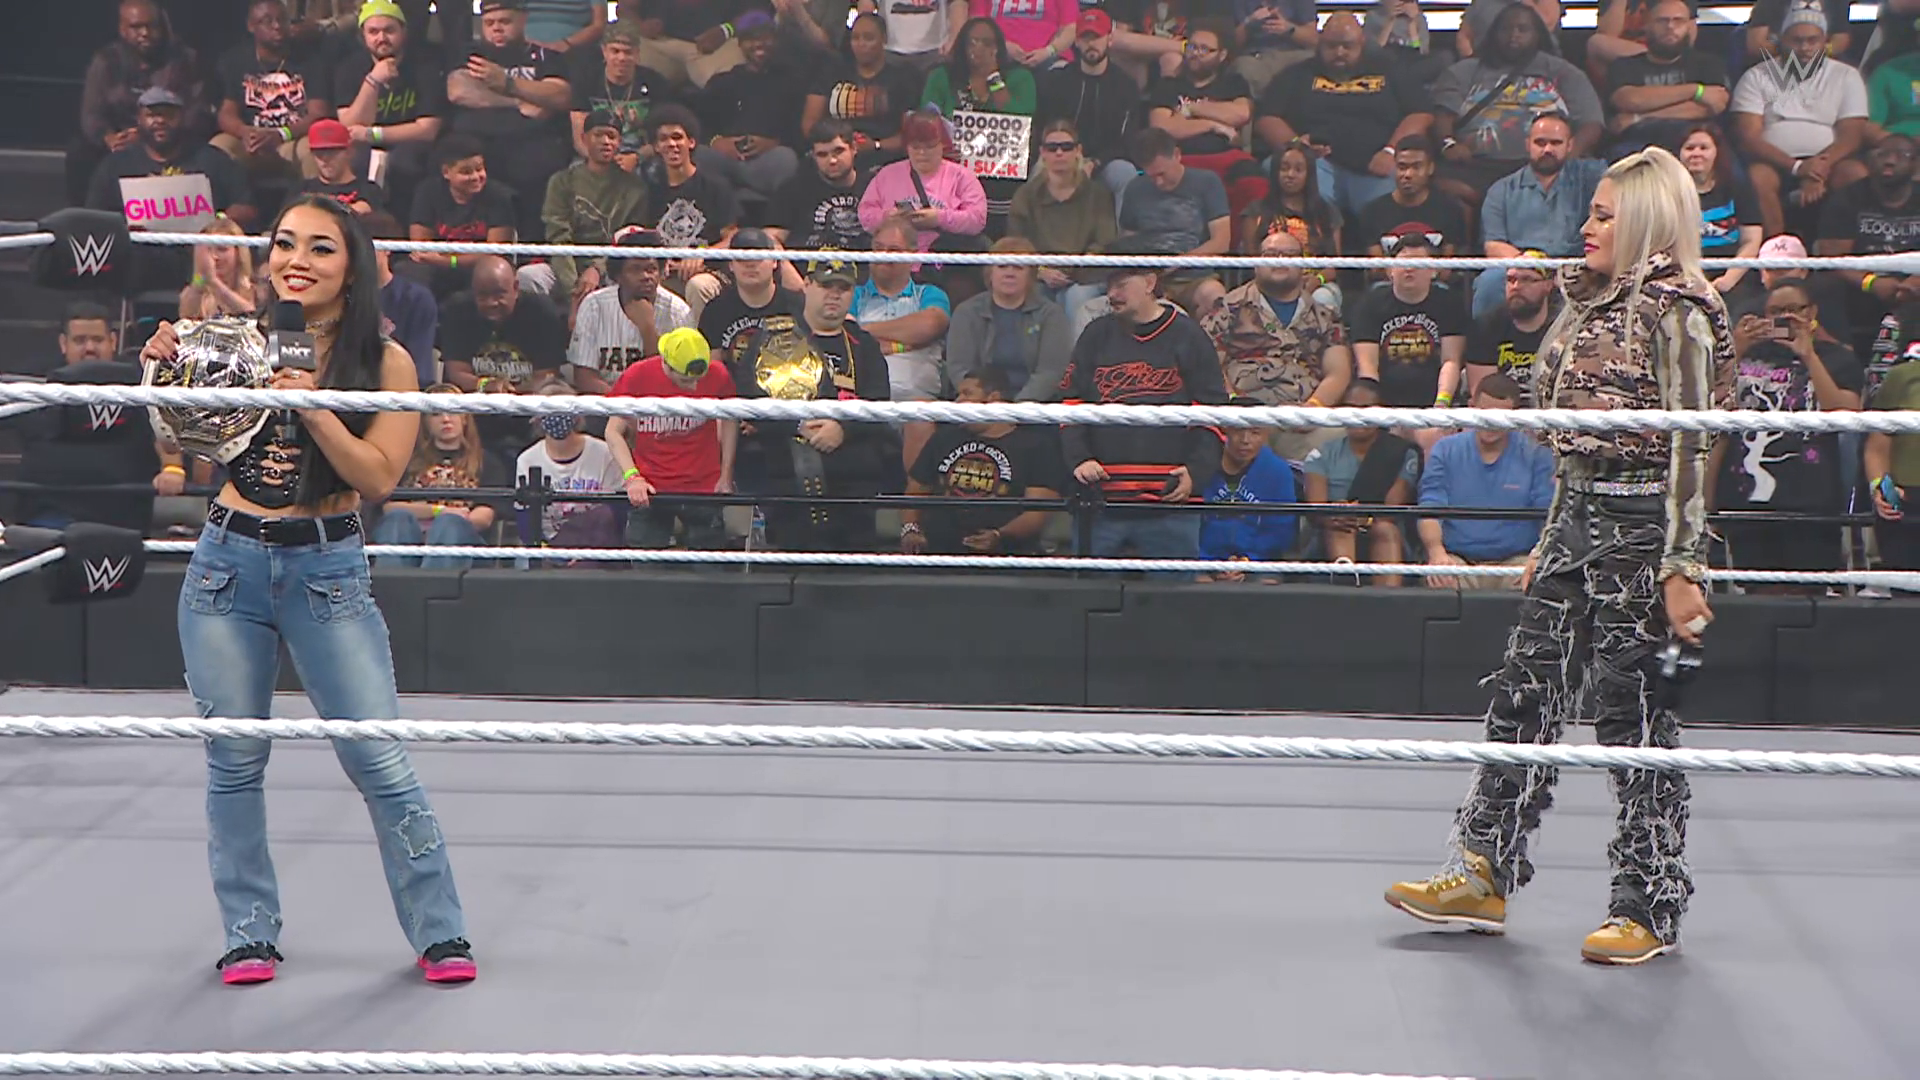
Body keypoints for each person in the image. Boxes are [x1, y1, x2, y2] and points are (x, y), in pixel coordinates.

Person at [1384, 146, 1736, 966]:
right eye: (1592, 212)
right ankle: (1482, 871)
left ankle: (1647, 904)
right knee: (1523, 695)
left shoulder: (1679, 311)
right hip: (1577, 516)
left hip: (1642, 523)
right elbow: (1571, 447)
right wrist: (1551, 535)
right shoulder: (1588, 302)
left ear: (1647, 222)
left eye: (1605, 215)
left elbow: (1693, 448)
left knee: (1632, 716)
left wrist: (1682, 564)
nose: (1587, 226)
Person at [137, 195, 475, 985]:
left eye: (320, 247)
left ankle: (441, 933)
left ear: (352, 265)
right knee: (234, 760)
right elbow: (186, 443)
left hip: (327, 568)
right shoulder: (234, 342)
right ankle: (248, 933)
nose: (297, 260)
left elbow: (378, 477)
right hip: (226, 564)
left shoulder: (387, 363)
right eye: (286, 243)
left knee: (379, 759)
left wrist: (312, 408)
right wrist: (164, 372)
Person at [606, 327, 739, 550]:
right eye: (686, 381)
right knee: (646, 562)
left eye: (699, 379)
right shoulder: (637, 376)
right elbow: (613, 431)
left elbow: (731, 419)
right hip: (650, 487)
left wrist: (726, 475)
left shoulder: (717, 374)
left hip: (703, 485)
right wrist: (632, 477)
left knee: (710, 563)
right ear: (667, 365)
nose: (694, 387)